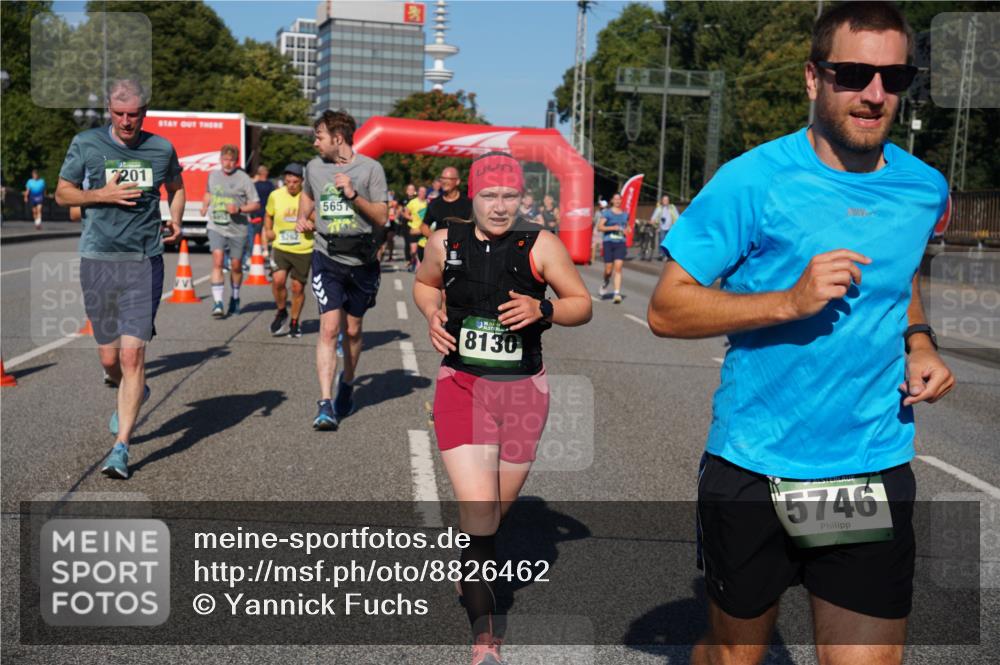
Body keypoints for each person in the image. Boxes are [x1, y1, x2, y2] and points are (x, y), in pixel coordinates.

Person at [647, 4, 955, 664]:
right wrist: (788, 301)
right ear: (814, 77)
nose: (874, 94)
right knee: (733, 655)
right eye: (854, 74)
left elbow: (900, 272)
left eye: (895, 77)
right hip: (755, 467)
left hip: (864, 468)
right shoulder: (752, 180)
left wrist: (920, 340)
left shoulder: (924, 188)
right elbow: (667, 310)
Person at [413, 151, 591, 665]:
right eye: (489, 195)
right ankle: (485, 641)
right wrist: (431, 313)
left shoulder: (541, 245)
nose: (498, 206)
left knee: (494, 515)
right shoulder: (445, 242)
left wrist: (544, 308)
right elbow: (424, 284)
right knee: (479, 512)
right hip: (462, 386)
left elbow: (582, 304)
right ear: (472, 196)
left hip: (522, 394)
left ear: (522, 197)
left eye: (509, 196)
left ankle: (471, 560)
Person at [54, 78, 185, 479]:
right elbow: (63, 193)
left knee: (132, 356)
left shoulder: (161, 148)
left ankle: (121, 448)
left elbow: (177, 187)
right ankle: (134, 387)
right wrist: (100, 195)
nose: (126, 122)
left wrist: (176, 218)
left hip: (144, 260)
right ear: (109, 111)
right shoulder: (87, 143)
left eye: (133, 114)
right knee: (110, 359)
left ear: (145, 112)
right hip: (98, 259)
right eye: (118, 114)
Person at [295, 109, 389, 431]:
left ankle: (347, 383)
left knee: (353, 330)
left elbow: (382, 217)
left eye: (319, 137)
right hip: (327, 257)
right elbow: (307, 195)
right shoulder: (314, 167)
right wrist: (302, 217)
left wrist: (353, 194)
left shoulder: (371, 169)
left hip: (362, 261)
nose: (315, 143)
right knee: (329, 328)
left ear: (337, 138)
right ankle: (325, 403)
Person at [201, 145, 260, 318]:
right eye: (225, 160)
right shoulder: (213, 175)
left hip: (238, 229)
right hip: (216, 226)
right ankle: (218, 303)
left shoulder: (243, 179)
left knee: (236, 266)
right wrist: (204, 206)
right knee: (218, 261)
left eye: (231, 160)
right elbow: (208, 193)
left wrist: (240, 209)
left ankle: (235, 297)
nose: (228, 163)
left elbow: (256, 204)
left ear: (236, 161)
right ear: (220, 160)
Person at [264, 163, 311, 338]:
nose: (291, 185)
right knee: (278, 281)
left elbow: (318, 220)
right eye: (288, 181)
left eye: (295, 182)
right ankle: (281, 310)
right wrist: (268, 230)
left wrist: (311, 225)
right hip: (280, 246)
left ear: (302, 181)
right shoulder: (275, 195)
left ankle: (294, 321)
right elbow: (268, 215)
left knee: (297, 288)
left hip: (303, 248)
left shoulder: (309, 196)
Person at [421, 166, 472, 239]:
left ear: (457, 181)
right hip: (441, 245)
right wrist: (435, 239)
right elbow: (424, 226)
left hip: (464, 244)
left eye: (447, 179)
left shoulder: (468, 203)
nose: (444, 181)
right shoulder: (435, 204)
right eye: (442, 178)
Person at [597, 193, 628, 303]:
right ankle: (605, 281)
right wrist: (612, 228)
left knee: (618, 268)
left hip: (620, 242)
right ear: (612, 201)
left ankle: (616, 293)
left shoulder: (625, 214)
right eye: (615, 199)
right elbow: (600, 227)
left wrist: (627, 230)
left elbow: (627, 227)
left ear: (621, 200)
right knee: (608, 270)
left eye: (619, 199)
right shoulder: (607, 213)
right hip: (608, 242)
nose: (617, 201)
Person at [246, 164, 276, 269]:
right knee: (266, 232)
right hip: (268, 212)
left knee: (256, 235)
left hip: (257, 213)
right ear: (266, 173)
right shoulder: (270, 185)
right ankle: (266, 252)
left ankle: (255, 254)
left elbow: (250, 199)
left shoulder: (255, 185)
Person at [403, 185, 428, 272]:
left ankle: (418, 265)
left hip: (423, 229)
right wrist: (412, 218)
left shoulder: (428, 203)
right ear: (418, 192)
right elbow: (405, 214)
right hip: (414, 228)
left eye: (424, 192)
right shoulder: (412, 202)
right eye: (421, 191)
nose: (422, 193)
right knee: (413, 250)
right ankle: (413, 261)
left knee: (422, 249)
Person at [650, 194, 678, 260]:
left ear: (669, 201)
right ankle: (661, 254)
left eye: (667, 200)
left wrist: (677, 224)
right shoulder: (659, 208)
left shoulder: (672, 207)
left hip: (670, 228)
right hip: (661, 227)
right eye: (664, 200)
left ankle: (668, 255)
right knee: (662, 241)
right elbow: (654, 216)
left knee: (669, 242)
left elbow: (677, 216)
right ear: (662, 201)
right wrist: (652, 220)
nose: (665, 201)